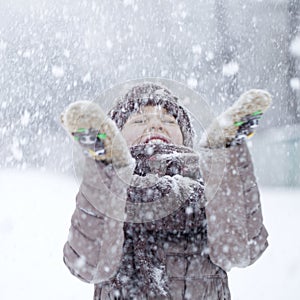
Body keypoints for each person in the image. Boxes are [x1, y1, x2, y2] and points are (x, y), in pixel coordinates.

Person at [61, 83, 270, 299]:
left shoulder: (208, 191)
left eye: (169, 120)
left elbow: (241, 250)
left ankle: (224, 147)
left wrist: (227, 160)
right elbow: (88, 263)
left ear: (185, 138)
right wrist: (108, 168)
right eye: (140, 120)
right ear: (116, 136)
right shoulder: (112, 192)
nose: (155, 125)